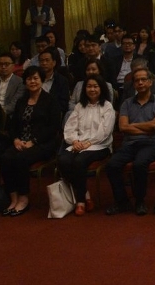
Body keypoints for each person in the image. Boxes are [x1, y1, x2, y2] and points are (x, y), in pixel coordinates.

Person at [0, 66, 62, 216]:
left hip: (43, 143)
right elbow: (12, 126)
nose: (32, 81)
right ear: (25, 81)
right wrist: (16, 139)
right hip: (21, 141)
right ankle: (13, 197)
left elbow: (53, 128)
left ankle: (24, 198)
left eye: (35, 78)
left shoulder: (50, 101)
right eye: (29, 78)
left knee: (20, 159)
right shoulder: (21, 101)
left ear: (42, 80)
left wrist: (33, 141)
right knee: (5, 158)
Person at [105, 67, 155, 216]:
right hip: (129, 144)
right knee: (112, 165)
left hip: (151, 143)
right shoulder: (127, 103)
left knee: (140, 164)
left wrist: (132, 126)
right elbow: (122, 127)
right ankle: (122, 202)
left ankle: (140, 201)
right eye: (137, 80)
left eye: (143, 79)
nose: (140, 83)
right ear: (133, 84)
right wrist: (145, 127)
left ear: (150, 82)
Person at [58, 75, 115, 216]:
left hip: (100, 146)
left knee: (79, 161)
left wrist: (87, 143)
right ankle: (86, 193)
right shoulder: (79, 106)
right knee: (62, 160)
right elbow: (70, 127)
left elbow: (105, 132)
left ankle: (81, 201)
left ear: (101, 88)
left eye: (96, 86)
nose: (92, 89)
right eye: (89, 86)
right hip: (78, 144)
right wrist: (75, 141)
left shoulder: (107, 107)